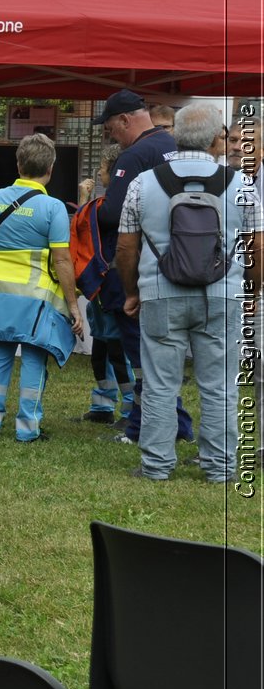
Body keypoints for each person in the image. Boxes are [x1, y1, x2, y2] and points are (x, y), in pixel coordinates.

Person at [116, 103, 261, 482]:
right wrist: (251, 291)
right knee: (218, 385)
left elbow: (126, 248)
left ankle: (157, 465)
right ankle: (221, 466)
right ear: (216, 140)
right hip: (223, 294)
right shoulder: (242, 185)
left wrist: (132, 291)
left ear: (176, 136)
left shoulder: (142, 183)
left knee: (161, 384)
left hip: (161, 292)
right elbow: (257, 247)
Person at [0, 134, 85, 441]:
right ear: (51, 168)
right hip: (35, 300)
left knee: (0, 354)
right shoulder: (53, 208)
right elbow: (62, 260)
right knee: (33, 358)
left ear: (18, 163)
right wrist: (73, 306)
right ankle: (27, 429)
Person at [95, 88, 193, 444]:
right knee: (163, 356)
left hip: (140, 268)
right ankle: (179, 423)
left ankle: (139, 428)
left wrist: (86, 211)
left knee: (142, 356)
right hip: (179, 264)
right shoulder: (174, 145)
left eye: (110, 128)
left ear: (124, 119)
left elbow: (114, 215)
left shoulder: (133, 156)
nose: (111, 136)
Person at [76, 145, 135, 423]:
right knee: (99, 351)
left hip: (114, 289)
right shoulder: (105, 204)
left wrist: (83, 198)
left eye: (101, 169)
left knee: (117, 352)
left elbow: (84, 224)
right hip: (100, 292)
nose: (99, 173)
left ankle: (132, 408)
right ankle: (102, 406)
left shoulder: (117, 206)